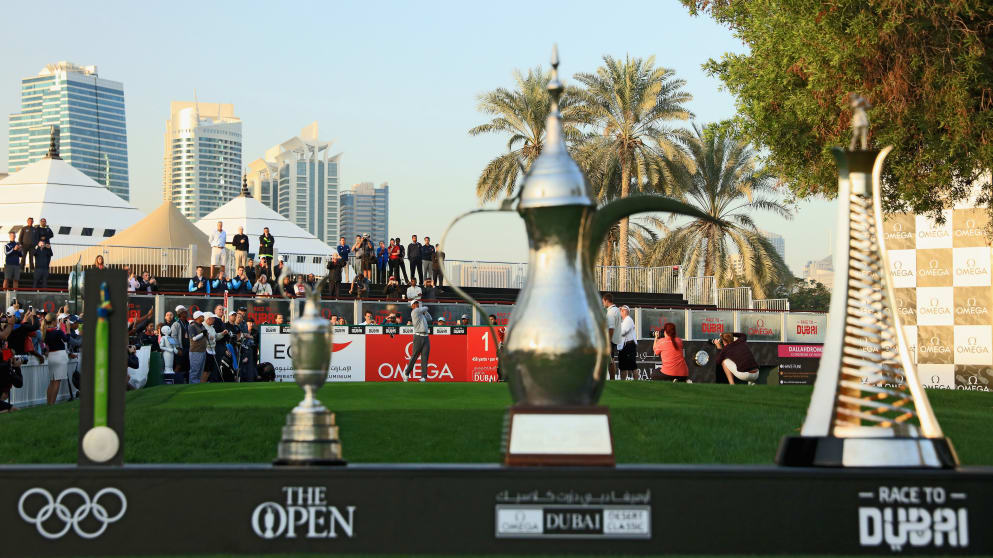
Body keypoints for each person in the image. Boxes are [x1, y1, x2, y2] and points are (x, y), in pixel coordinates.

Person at [400, 299, 431, 382]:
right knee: (414, 356)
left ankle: (423, 377)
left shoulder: (421, 313)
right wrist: (423, 309)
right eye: (415, 303)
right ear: (412, 306)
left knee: (425, 358)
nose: (417, 304)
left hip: (426, 337)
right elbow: (426, 307)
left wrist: (425, 312)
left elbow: (430, 318)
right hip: (418, 336)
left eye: (417, 303)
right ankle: (406, 373)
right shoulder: (414, 311)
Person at [44, 313, 70, 405]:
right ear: (55, 321)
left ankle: (49, 403)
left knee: (52, 381)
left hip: (51, 356)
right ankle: (52, 403)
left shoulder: (46, 332)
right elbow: (67, 339)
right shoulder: (58, 332)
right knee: (56, 381)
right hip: (59, 356)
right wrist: (68, 329)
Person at [602, 293, 621, 380]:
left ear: (606, 300)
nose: (603, 304)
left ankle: (612, 379)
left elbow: (611, 328)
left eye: (603, 301)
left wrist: (607, 341)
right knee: (611, 361)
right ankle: (612, 379)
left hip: (611, 340)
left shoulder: (611, 312)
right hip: (614, 339)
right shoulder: (616, 310)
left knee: (610, 361)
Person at [617, 305, 638, 380]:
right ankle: (623, 383)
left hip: (629, 345)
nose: (620, 313)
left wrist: (615, 331)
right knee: (623, 367)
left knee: (632, 366)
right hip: (624, 346)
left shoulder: (628, 320)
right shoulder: (624, 321)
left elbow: (623, 332)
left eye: (621, 311)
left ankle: (637, 384)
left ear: (625, 311)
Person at [187, 312, 208, 384]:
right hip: (195, 351)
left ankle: (197, 384)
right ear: (198, 317)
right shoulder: (192, 326)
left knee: (200, 370)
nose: (203, 317)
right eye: (202, 316)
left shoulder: (202, 326)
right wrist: (203, 334)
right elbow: (194, 339)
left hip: (202, 350)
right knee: (195, 369)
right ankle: (192, 384)